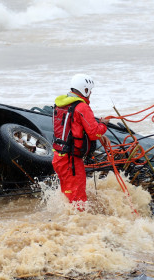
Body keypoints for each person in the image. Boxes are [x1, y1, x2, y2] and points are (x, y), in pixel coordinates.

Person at [52, 74, 110, 210]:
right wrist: (103, 125)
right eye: (90, 90)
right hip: (71, 161)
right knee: (79, 202)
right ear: (85, 90)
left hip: (59, 158)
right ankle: (80, 226)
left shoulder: (61, 104)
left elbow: (75, 127)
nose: (91, 93)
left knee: (68, 195)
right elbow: (94, 132)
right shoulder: (82, 107)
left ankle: (67, 225)